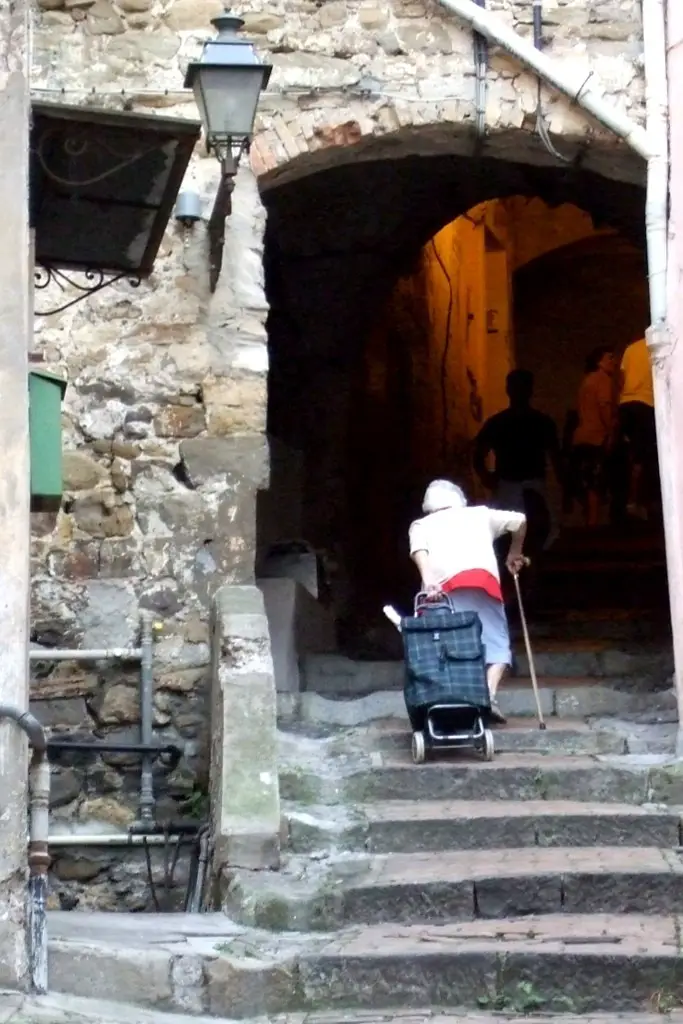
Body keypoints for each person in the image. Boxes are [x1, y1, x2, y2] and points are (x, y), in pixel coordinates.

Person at [409, 479, 527, 726]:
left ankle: (447, 700)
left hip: (442, 589)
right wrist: (515, 552)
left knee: (442, 646)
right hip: (482, 581)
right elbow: (520, 521)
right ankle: (488, 694)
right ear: (459, 500)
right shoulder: (481, 515)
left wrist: (429, 580)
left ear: (428, 505)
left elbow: (420, 552)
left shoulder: (420, 524)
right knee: (496, 642)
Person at [473, 370, 562, 559]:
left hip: (510, 488)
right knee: (535, 543)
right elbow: (557, 457)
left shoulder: (498, 422)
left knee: (507, 544)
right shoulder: (541, 422)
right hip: (528, 488)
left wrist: (488, 477)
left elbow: (477, 455)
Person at [571, 346, 618, 526]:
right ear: (599, 362)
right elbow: (604, 407)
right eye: (609, 358)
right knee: (596, 484)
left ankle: (589, 522)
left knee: (587, 482)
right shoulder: (602, 380)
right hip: (597, 438)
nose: (614, 362)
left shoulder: (587, 381)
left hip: (581, 437)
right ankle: (593, 526)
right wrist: (611, 432)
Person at [618, 336, 657, 520]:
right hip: (645, 403)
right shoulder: (658, 344)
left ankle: (630, 500)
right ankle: (637, 502)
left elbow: (621, 378)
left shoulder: (631, 348)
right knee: (645, 457)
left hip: (626, 404)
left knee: (633, 454)